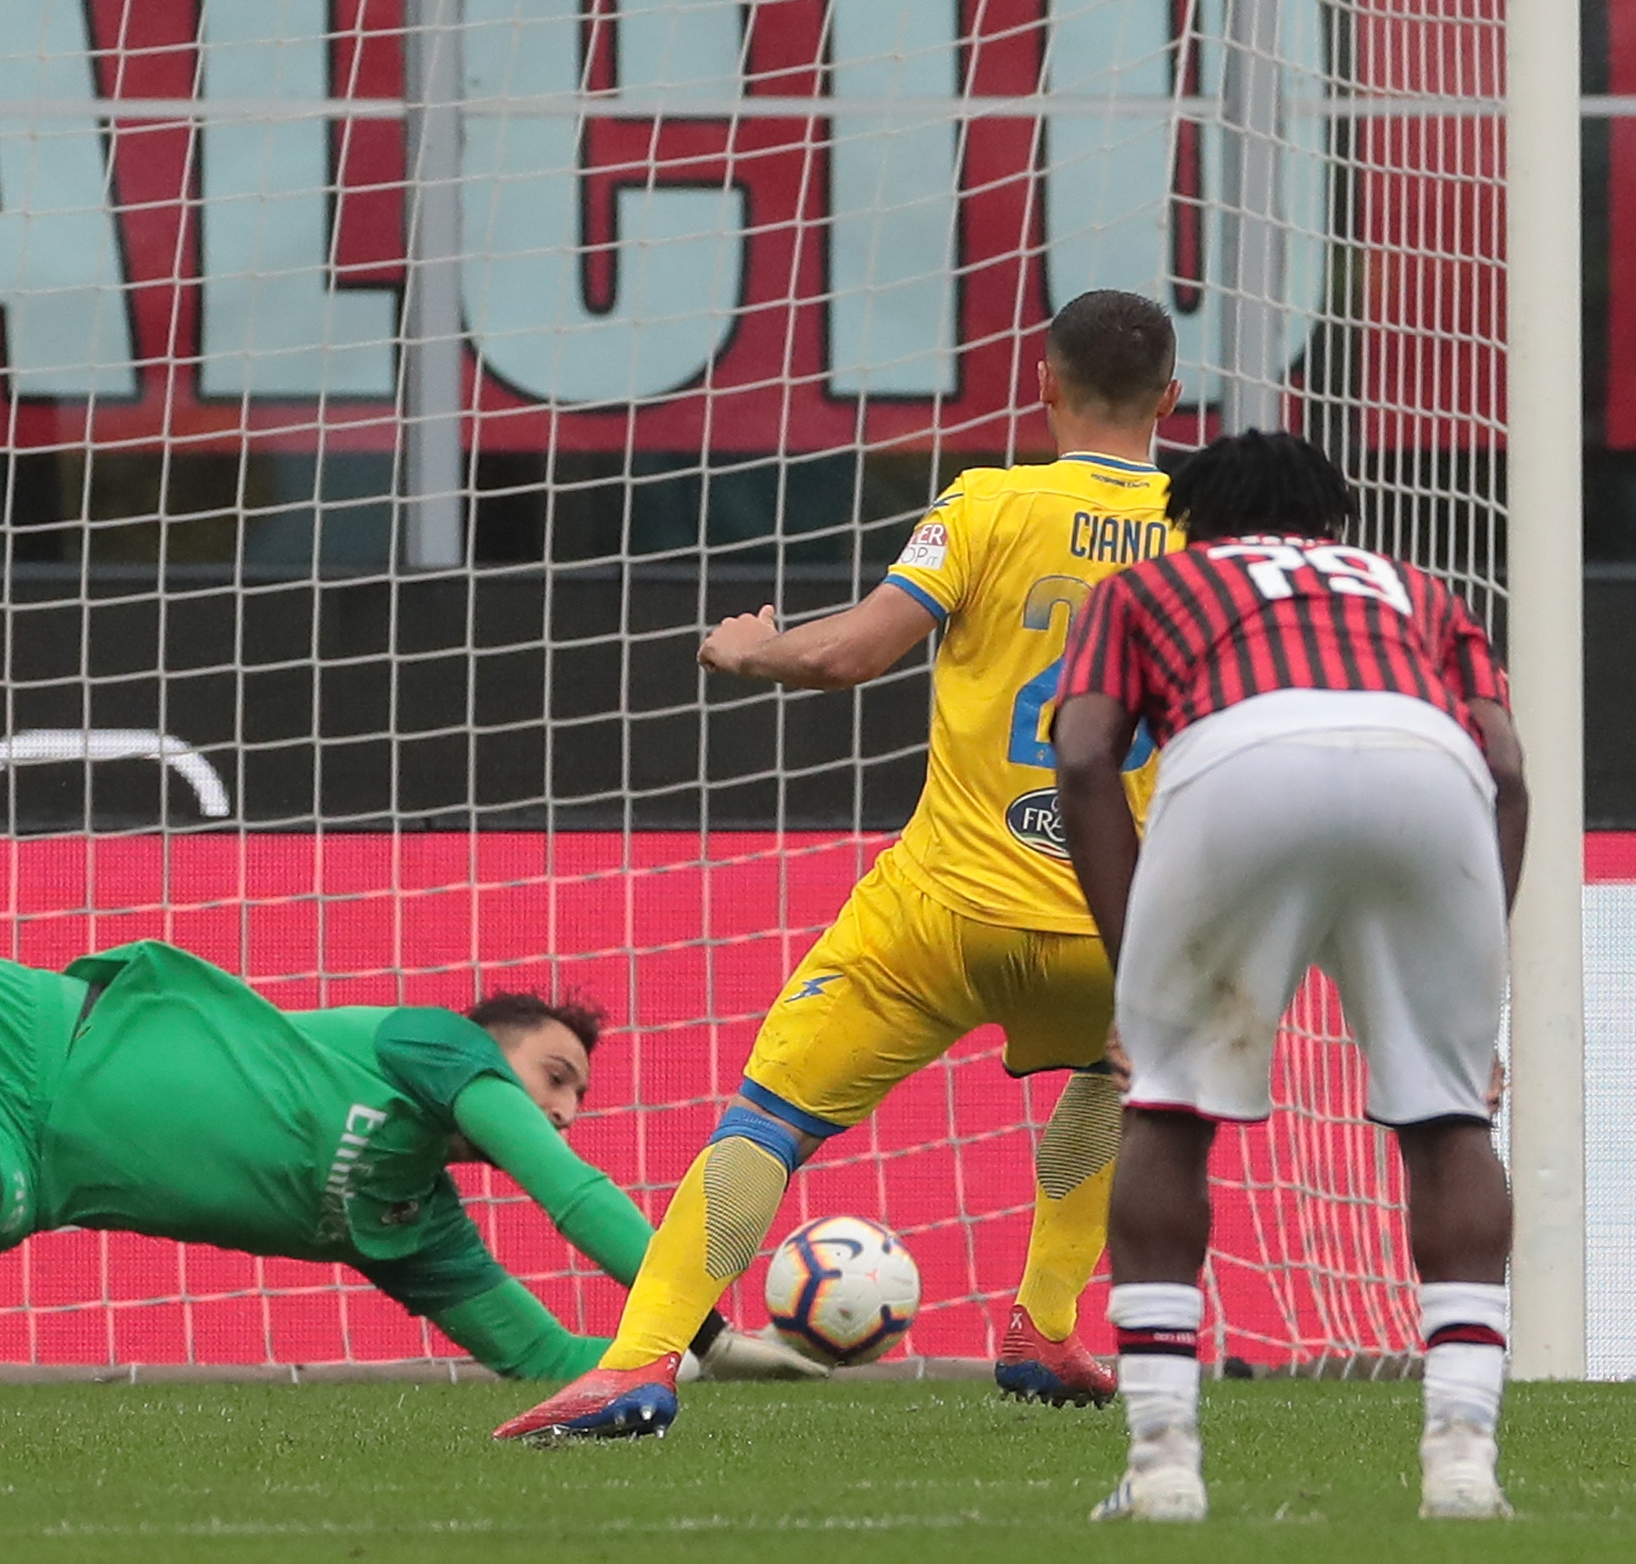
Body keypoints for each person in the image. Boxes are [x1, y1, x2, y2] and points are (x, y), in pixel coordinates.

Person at [496, 289, 1179, 1442]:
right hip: (1116, 924)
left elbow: (855, 652)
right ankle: (1044, 1326)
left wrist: (758, 649)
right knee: (1111, 1080)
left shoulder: (988, 504)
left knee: (768, 1118)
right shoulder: (1206, 528)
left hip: (942, 912)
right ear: (1170, 398)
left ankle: (641, 1362)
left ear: (1043, 385)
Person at [0, 938, 826, 1384]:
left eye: (578, 1094)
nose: (567, 1111)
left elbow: (554, 1373)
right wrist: (701, 1321)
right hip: (24, 1024)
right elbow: (572, 1193)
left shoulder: (411, 1231)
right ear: (493, 1050)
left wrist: (709, 1371)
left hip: (30, 1162)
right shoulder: (428, 1046)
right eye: (558, 1077)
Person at [1049, 430, 1527, 1523]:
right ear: (1334, 530)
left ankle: (1164, 1460)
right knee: (1451, 1119)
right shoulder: (1416, 587)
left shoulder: (1147, 584)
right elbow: (1505, 767)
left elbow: (1083, 756)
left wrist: (1139, 986)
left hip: (1239, 758)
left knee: (1169, 1111)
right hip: (1431, 770)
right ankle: (1462, 1456)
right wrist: (1470, 979)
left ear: (1193, 524)